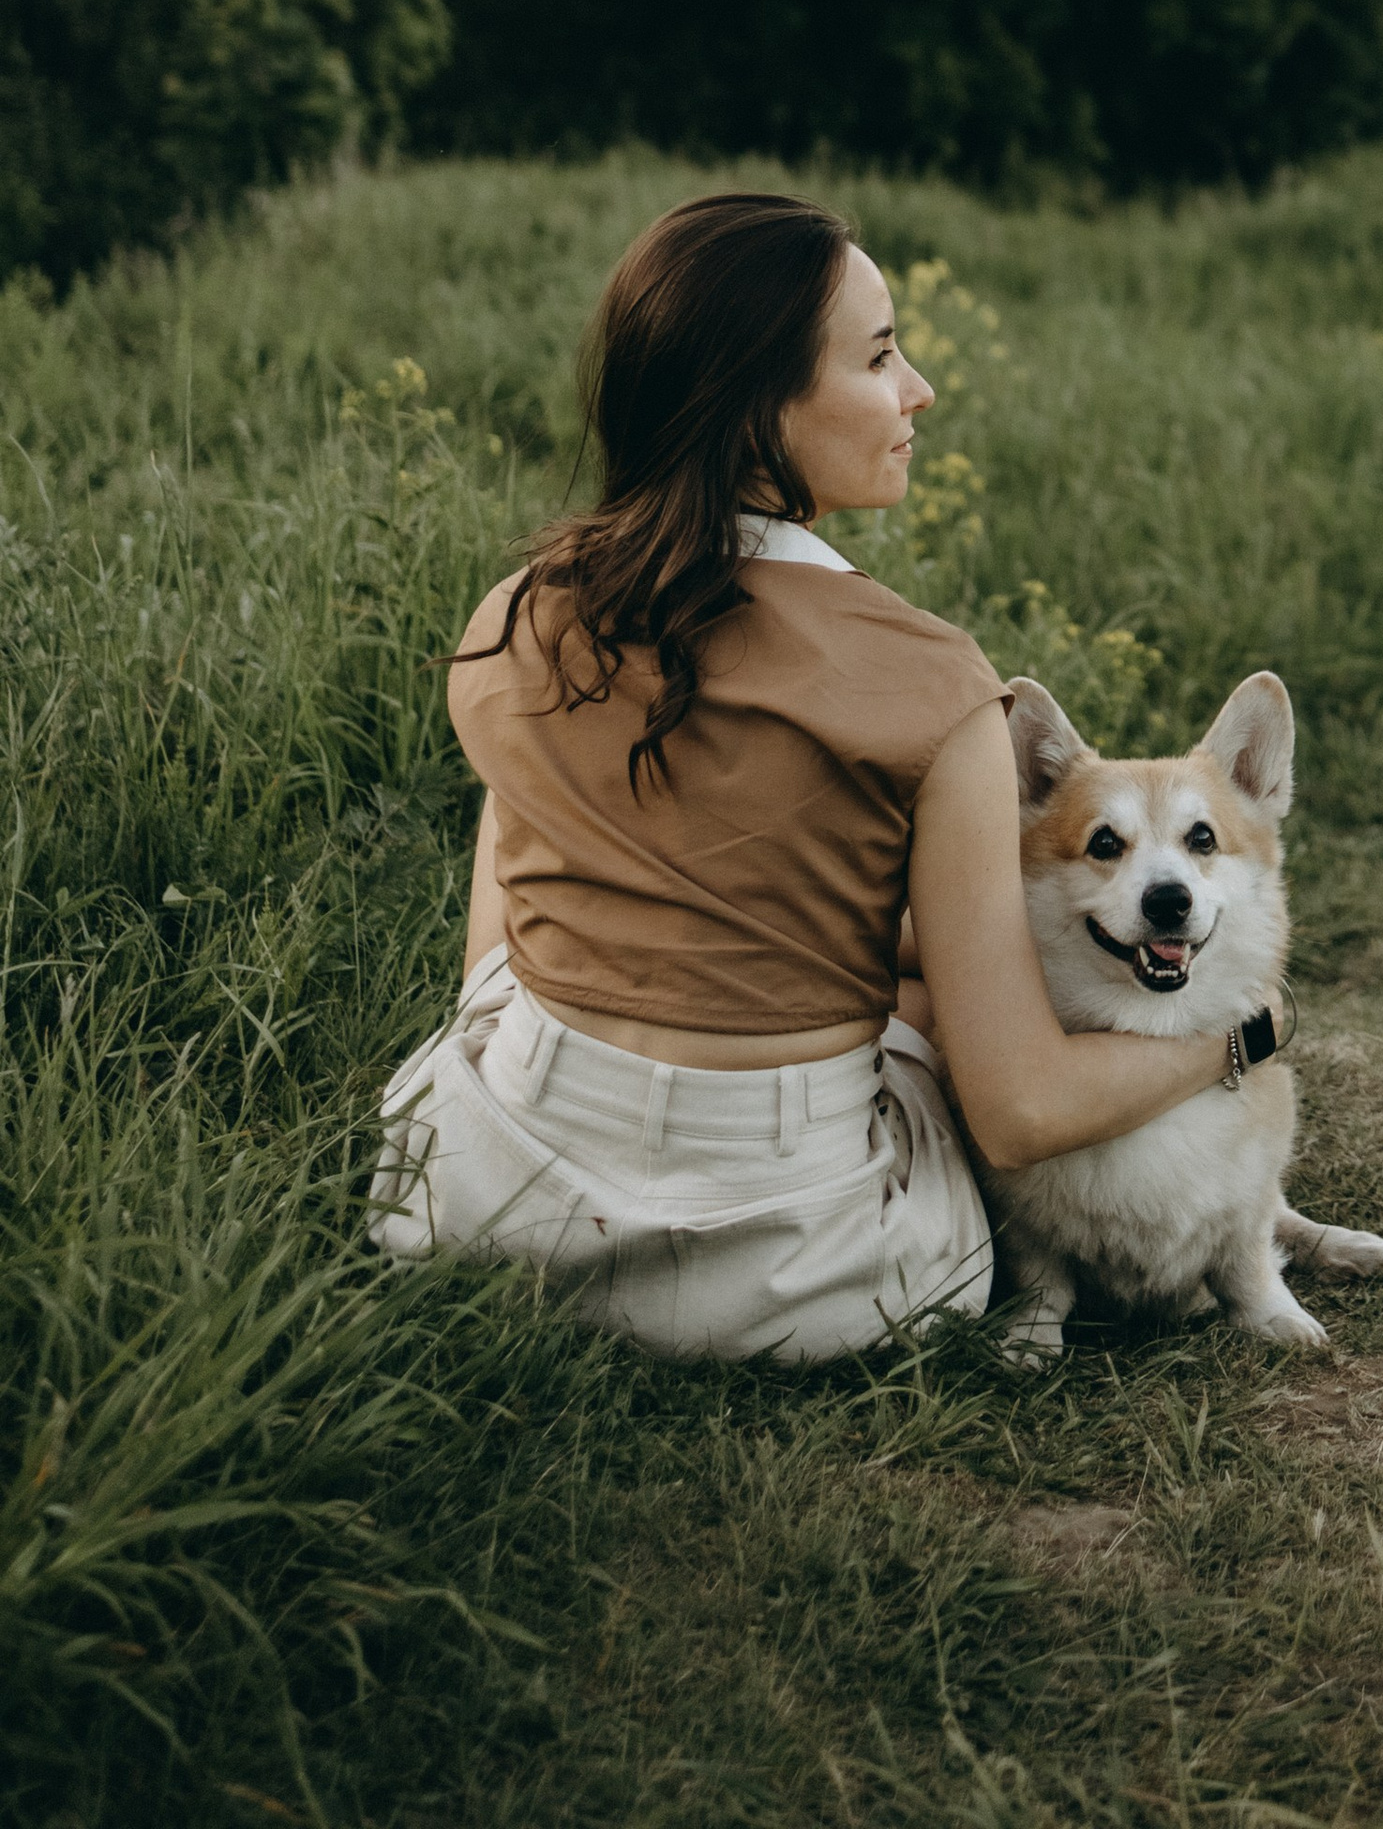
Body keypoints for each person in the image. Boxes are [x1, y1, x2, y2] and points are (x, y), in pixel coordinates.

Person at [370, 190, 1240, 1361]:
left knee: (895, 973)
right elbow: (1022, 1111)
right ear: (753, 414)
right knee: (946, 1018)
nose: (918, 390)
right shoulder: (935, 685)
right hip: (802, 1272)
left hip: (484, 1209)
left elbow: (498, 965)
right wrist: (1243, 1036)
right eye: (879, 357)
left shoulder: (518, 617)